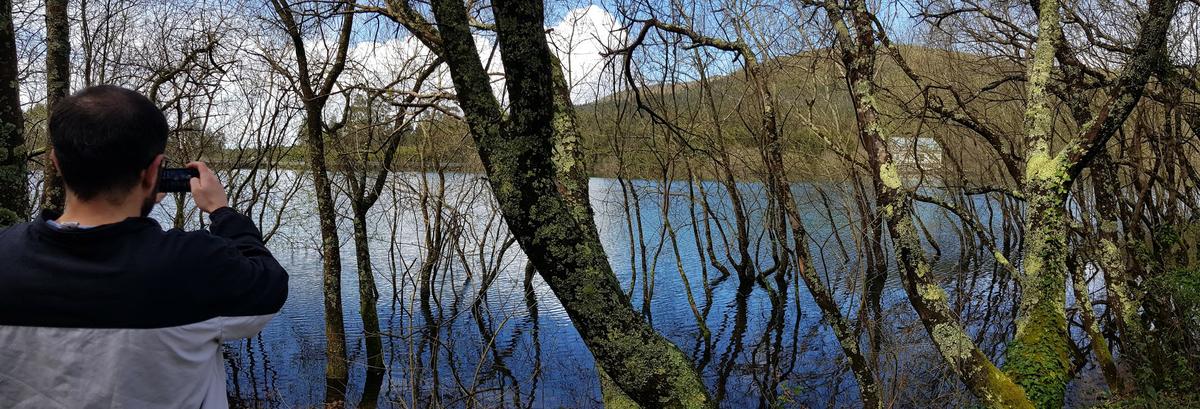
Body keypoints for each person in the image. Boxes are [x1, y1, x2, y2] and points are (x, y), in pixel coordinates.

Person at [0, 85, 289, 408]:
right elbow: (269, 287)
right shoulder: (193, 266)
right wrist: (222, 213)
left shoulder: (6, 256)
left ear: (55, 163)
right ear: (154, 171)